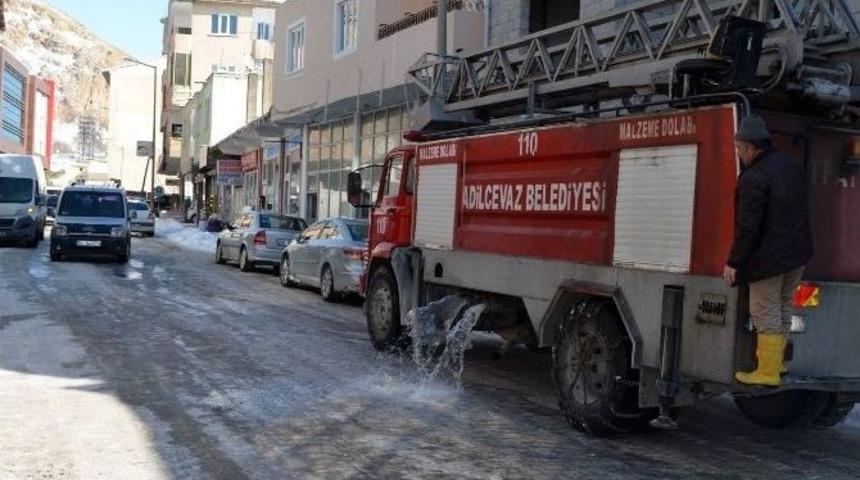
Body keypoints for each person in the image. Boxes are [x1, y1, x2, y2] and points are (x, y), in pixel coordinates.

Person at [724, 115, 813, 386]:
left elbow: (748, 226)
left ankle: (767, 372)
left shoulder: (754, 177)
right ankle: (780, 364)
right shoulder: (791, 165)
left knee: (766, 312)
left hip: (769, 258)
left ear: (751, 147)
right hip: (796, 254)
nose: (738, 154)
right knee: (784, 307)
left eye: (739, 148)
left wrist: (734, 262)